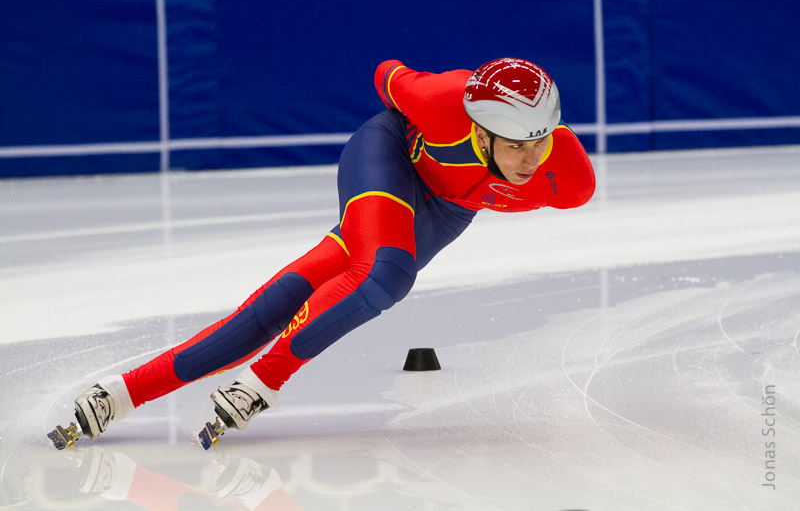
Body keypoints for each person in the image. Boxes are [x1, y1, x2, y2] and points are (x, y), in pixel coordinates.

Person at [66, 58, 596, 444]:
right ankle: (265, 381)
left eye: (540, 141)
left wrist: (506, 167)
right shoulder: (440, 100)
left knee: (289, 302)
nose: (531, 159)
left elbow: (541, 168)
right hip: (389, 155)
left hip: (446, 210)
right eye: (515, 145)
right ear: (478, 130)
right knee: (386, 274)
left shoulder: (569, 176)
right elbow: (386, 73)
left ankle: (119, 393)